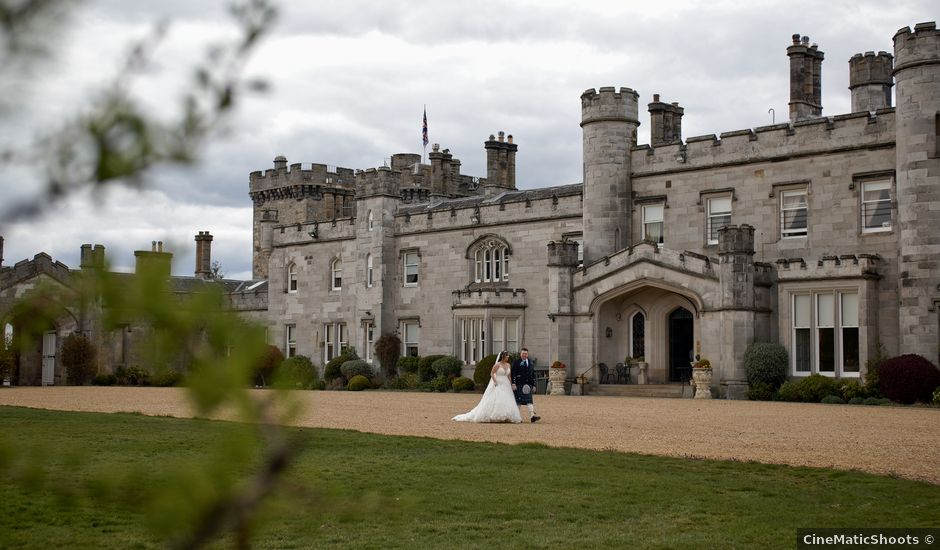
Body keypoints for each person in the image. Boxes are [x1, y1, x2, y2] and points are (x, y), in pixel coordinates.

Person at [453, 351, 522, 423]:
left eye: (508, 356)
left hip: (506, 384)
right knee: (498, 398)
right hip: (498, 382)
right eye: (507, 356)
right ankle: (497, 415)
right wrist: (495, 381)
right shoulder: (497, 365)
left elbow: (509, 376)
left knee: (508, 399)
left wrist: (511, 384)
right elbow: (492, 373)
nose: (508, 357)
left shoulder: (508, 365)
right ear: (503, 356)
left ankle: (507, 416)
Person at [511, 347, 541, 422]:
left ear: (527, 354)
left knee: (529, 401)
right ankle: (517, 417)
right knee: (519, 402)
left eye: (525, 353)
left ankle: (532, 416)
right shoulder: (516, 362)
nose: (524, 355)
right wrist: (513, 383)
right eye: (523, 353)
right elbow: (513, 373)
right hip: (519, 384)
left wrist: (534, 385)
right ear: (520, 354)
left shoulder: (530, 362)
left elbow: (533, 374)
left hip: (528, 384)